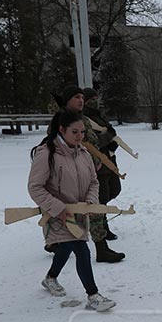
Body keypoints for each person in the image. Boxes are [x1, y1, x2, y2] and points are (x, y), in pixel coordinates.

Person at [28, 109, 116, 312]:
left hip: (79, 213)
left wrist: (91, 202)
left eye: (82, 132)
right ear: (61, 130)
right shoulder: (46, 153)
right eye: (74, 132)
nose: (80, 136)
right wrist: (58, 209)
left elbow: (93, 181)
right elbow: (35, 187)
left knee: (67, 247)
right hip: (56, 213)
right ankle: (93, 295)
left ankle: (50, 278)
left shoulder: (83, 153)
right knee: (81, 248)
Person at [51, 86, 124, 263]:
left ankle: (101, 248)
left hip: (88, 170)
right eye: (76, 97)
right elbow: (57, 146)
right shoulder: (60, 120)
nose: (81, 100)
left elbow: (90, 144)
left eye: (82, 97)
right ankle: (56, 243)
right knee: (67, 210)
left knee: (93, 208)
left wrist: (98, 157)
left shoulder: (82, 119)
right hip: (69, 174)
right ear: (67, 100)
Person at [82, 87, 123, 243]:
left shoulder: (99, 116)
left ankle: (98, 219)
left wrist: (112, 143)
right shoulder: (83, 119)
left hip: (110, 161)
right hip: (97, 164)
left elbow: (107, 135)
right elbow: (92, 142)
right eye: (92, 99)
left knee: (115, 190)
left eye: (96, 98)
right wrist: (109, 137)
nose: (95, 102)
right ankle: (102, 228)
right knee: (102, 197)